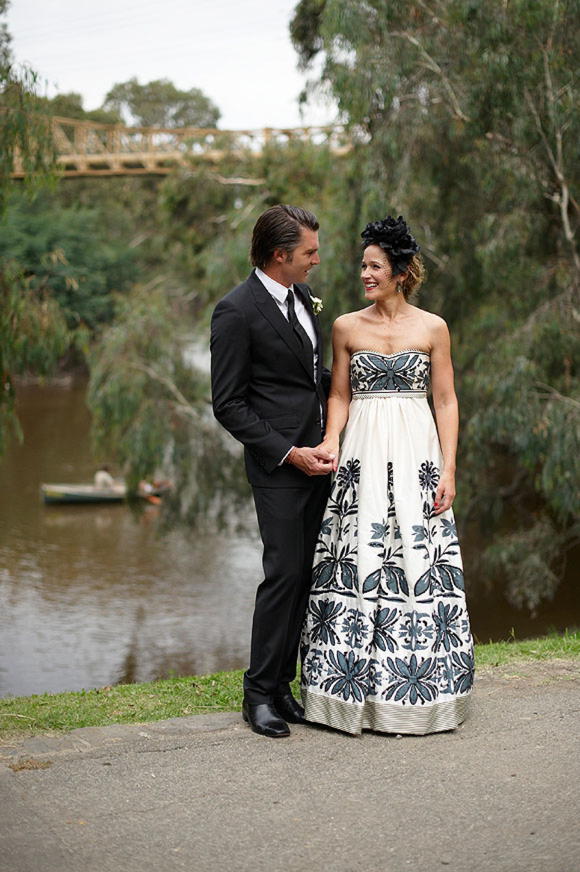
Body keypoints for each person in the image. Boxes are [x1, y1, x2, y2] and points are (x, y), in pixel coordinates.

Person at [300, 215, 474, 735]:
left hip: (417, 453)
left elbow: (444, 400)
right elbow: (338, 394)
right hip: (364, 454)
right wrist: (331, 439)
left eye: (374, 266)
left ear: (400, 272)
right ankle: (347, 696)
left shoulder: (433, 327)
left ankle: (420, 694)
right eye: (362, 266)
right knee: (359, 552)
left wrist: (449, 466)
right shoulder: (346, 327)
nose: (364, 275)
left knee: (416, 553)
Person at [210, 204, 334, 738]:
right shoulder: (235, 311)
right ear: (281, 255)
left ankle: (284, 687)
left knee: (305, 576)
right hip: (280, 466)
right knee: (283, 574)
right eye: (309, 252)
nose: (317, 260)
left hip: (319, 460)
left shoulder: (304, 299)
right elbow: (229, 404)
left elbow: (310, 377)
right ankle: (257, 694)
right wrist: (288, 451)